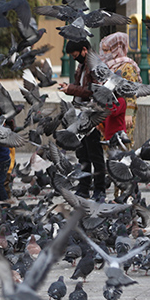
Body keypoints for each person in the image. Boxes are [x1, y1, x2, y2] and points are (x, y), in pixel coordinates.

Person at [58, 40, 106, 201]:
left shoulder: (95, 66)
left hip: (92, 117)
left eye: (75, 55)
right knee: (82, 154)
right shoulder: (81, 67)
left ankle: (100, 189)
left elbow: (93, 91)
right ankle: (84, 187)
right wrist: (68, 87)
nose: (74, 58)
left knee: (95, 155)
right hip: (79, 116)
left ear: (84, 50)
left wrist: (71, 89)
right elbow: (80, 87)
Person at [99, 32, 140, 142]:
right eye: (103, 50)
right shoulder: (108, 66)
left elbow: (132, 92)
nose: (105, 53)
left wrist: (129, 114)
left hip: (123, 114)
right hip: (110, 111)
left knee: (122, 145)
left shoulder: (128, 67)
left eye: (107, 50)